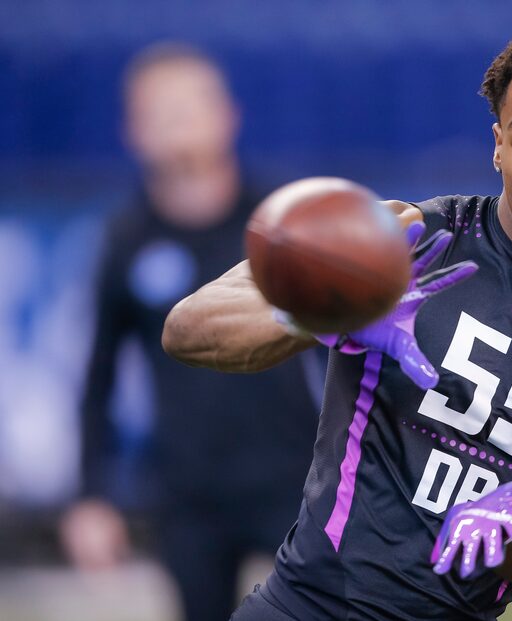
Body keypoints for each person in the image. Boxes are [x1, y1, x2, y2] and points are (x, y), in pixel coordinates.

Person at [162, 20, 512, 620]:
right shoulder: (402, 239)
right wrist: (321, 313)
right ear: (498, 146)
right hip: (305, 605)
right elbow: (187, 328)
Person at [60, 44, 321, 621]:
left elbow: (339, 346)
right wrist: (90, 498)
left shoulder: (280, 220)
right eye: (160, 113)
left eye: (190, 108)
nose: (177, 126)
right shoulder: (126, 240)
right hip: (187, 492)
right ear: (133, 131)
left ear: (228, 115)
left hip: (293, 477)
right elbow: (98, 377)